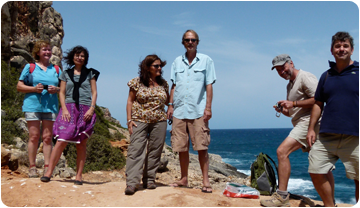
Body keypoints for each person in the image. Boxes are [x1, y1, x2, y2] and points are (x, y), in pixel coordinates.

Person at [260, 54, 330, 207]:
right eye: (278, 70)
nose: (281, 72)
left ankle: (282, 197)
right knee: (322, 166)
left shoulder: (305, 77)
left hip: (310, 123)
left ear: (291, 63)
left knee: (282, 151)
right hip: (303, 122)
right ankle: (330, 203)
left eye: (283, 67)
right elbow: (295, 110)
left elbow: (319, 99)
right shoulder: (290, 84)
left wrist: (293, 103)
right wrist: (284, 109)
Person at [306, 31, 359, 207]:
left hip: (355, 136)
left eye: (345, 46)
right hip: (327, 135)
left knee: (359, 178)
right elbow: (318, 103)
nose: (341, 49)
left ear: (352, 49)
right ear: (331, 50)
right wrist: (311, 129)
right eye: (337, 46)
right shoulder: (326, 76)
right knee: (315, 171)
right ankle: (330, 205)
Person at [40, 46, 99, 185]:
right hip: (69, 107)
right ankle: (48, 172)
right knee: (61, 140)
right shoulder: (65, 73)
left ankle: (78, 176)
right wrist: (64, 109)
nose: (80, 58)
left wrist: (92, 108)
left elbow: (94, 92)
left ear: (86, 59)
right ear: (73, 57)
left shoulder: (91, 73)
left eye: (83, 56)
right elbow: (62, 92)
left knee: (81, 143)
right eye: (77, 55)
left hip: (85, 108)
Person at [167, 29, 216, 193]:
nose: (190, 42)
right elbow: (174, 85)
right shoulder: (176, 62)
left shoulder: (206, 61)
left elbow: (209, 85)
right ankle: (184, 178)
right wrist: (170, 105)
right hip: (179, 110)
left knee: (202, 146)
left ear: (197, 42)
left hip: (198, 110)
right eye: (187, 40)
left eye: (193, 40)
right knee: (181, 147)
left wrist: (208, 108)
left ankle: (206, 181)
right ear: (183, 42)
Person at [124, 54, 169, 195]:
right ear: (147, 67)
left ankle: (149, 179)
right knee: (136, 150)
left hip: (159, 121)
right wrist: (129, 120)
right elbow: (130, 101)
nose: (160, 68)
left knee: (155, 151)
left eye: (161, 65)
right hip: (139, 120)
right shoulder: (136, 82)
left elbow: (168, 102)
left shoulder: (164, 84)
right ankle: (132, 183)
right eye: (156, 66)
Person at [17, 40, 61, 178]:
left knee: (47, 138)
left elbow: (64, 88)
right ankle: (32, 167)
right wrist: (34, 89)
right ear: (38, 52)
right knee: (34, 136)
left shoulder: (56, 69)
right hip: (32, 105)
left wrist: (57, 89)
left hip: (50, 106)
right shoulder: (30, 67)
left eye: (49, 49)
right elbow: (19, 86)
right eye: (44, 49)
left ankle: (47, 168)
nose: (47, 52)